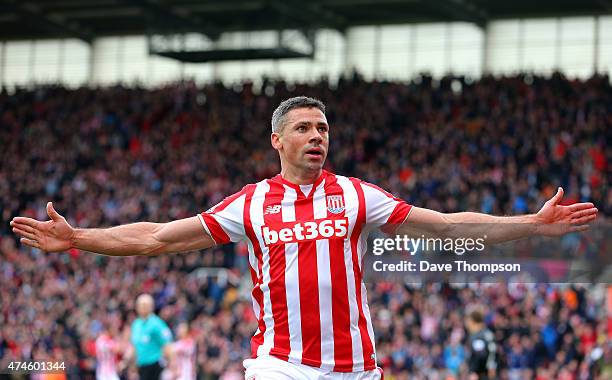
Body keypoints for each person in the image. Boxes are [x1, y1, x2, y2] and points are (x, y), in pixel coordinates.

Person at [10, 96, 598, 380]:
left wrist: (530, 224)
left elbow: (445, 225)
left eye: (323, 128)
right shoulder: (252, 202)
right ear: (278, 141)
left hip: (357, 368)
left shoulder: (356, 195)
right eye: (304, 128)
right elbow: (158, 238)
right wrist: (80, 236)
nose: (318, 136)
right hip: (282, 366)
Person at [127, 294, 173, 380]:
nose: (142, 307)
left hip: (154, 364)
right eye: (140, 305)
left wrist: (172, 366)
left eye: (145, 305)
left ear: (151, 307)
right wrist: (129, 363)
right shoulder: (136, 324)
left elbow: (167, 345)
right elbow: (134, 346)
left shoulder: (157, 324)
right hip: (141, 365)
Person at [465, 309, 497, 380]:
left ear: (472, 321)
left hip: (482, 374)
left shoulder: (478, 336)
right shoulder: (487, 333)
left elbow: (480, 356)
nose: (466, 324)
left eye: (468, 321)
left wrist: (474, 371)